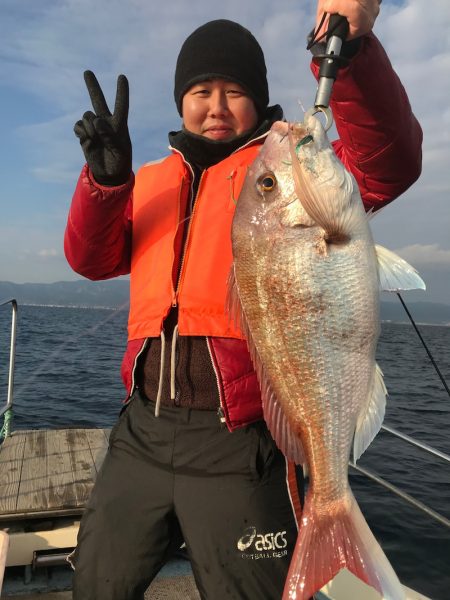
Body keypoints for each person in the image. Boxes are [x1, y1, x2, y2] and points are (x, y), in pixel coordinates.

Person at [64, 2, 422, 599]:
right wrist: (105, 186)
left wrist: (352, 61)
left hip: (241, 441)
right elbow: (92, 260)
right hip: (140, 431)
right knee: (97, 583)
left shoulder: (285, 172)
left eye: (234, 90)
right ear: (181, 101)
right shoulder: (148, 180)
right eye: (201, 90)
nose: (216, 106)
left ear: (257, 100)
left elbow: (390, 162)